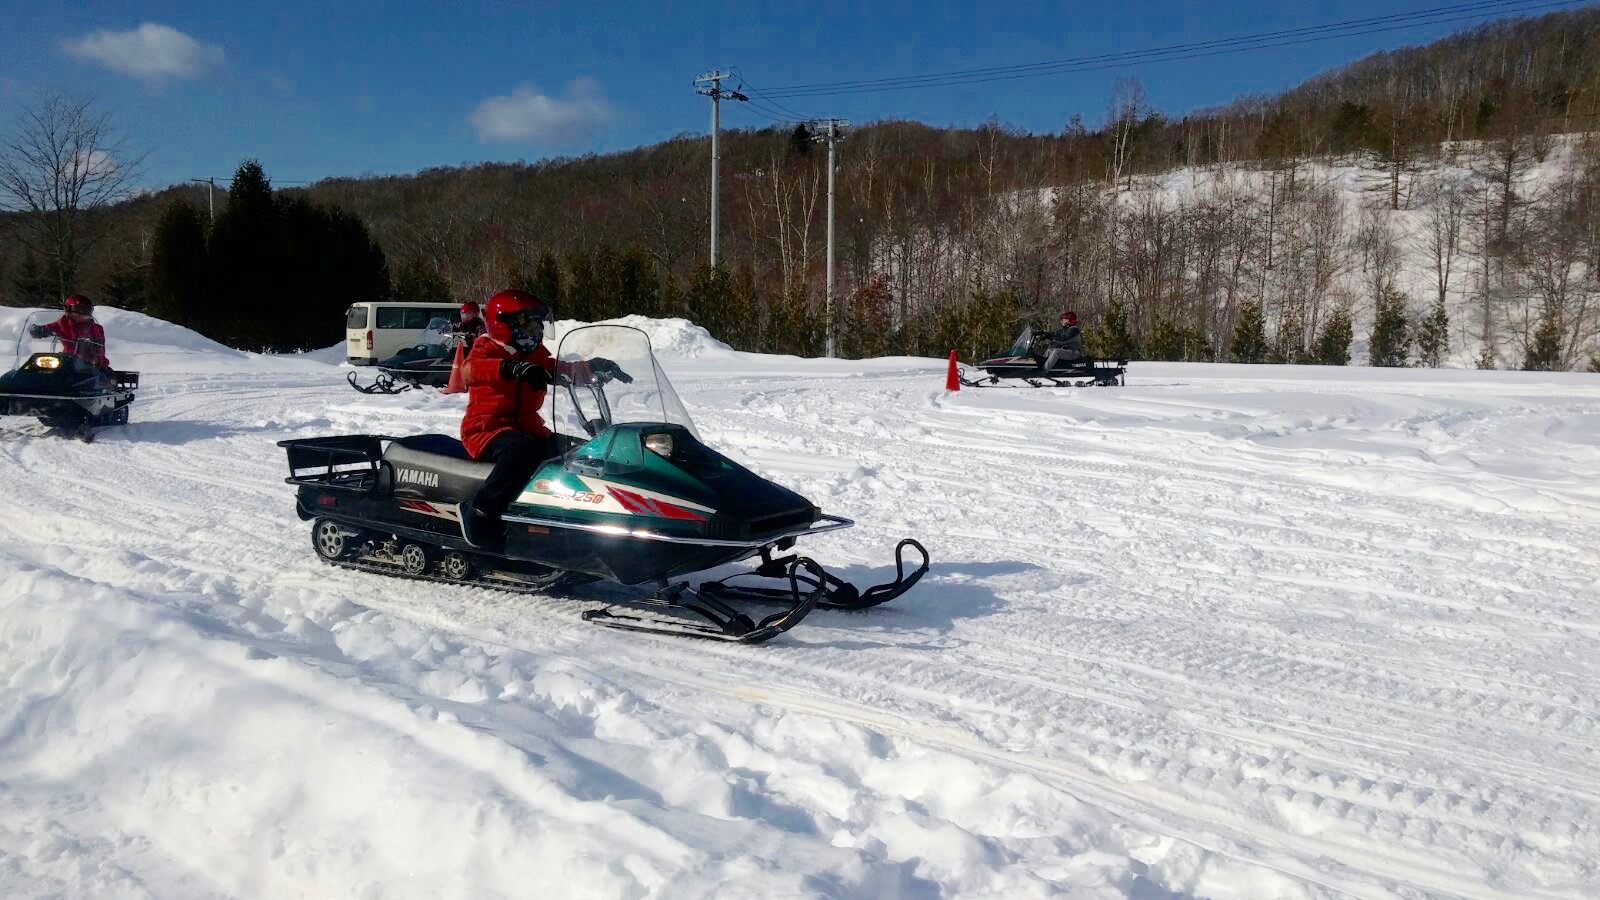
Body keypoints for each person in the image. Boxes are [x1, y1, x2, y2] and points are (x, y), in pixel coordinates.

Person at [457, 289, 623, 549]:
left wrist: (592, 367)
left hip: (529, 430)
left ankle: (578, 515)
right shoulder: (485, 349)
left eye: (539, 325)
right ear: (505, 324)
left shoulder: (535, 356)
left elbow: (561, 370)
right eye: (529, 325)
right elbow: (471, 370)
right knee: (521, 451)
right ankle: (480, 512)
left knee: (581, 451)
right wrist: (509, 368)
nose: (536, 332)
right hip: (486, 431)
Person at [29, 294, 111, 370]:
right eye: (78, 310)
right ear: (68, 310)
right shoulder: (63, 324)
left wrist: (98, 362)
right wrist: (37, 330)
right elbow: (48, 328)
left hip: (90, 367)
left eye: (86, 310)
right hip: (68, 363)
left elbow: (100, 350)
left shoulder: (96, 329)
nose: (81, 314)